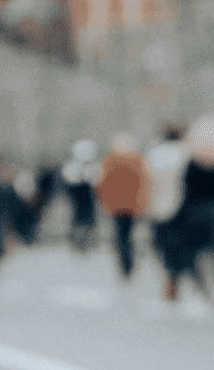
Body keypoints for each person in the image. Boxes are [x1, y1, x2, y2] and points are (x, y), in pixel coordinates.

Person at [171, 115, 214, 304]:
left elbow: (184, 188)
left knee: (196, 253)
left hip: (195, 212)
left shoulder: (192, 164)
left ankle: (201, 290)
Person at [143, 123, 190, 301]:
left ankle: (169, 274)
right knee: (178, 244)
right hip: (180, 207)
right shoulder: (185, 153)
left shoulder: (154, 154)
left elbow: (146, 182)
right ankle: (175, 276)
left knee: (161, 244)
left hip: (156, 207)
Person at [96, 133, 149, 280]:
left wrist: (105, 203)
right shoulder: (137, 160)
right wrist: (141, 204)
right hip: (133, 206)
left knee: (121, 237)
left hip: (116, 206)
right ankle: (129, 265)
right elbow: (143, 182)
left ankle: (124, 266)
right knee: (129, 236)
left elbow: (102, 184)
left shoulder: (109, 160)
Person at [61, 140, 101, 255]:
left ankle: (85, 244)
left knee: (86, 220)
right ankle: (79, 244)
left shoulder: (92, 166)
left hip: (86, 197)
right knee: (79, 219)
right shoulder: (73, 167)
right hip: (79, 197)